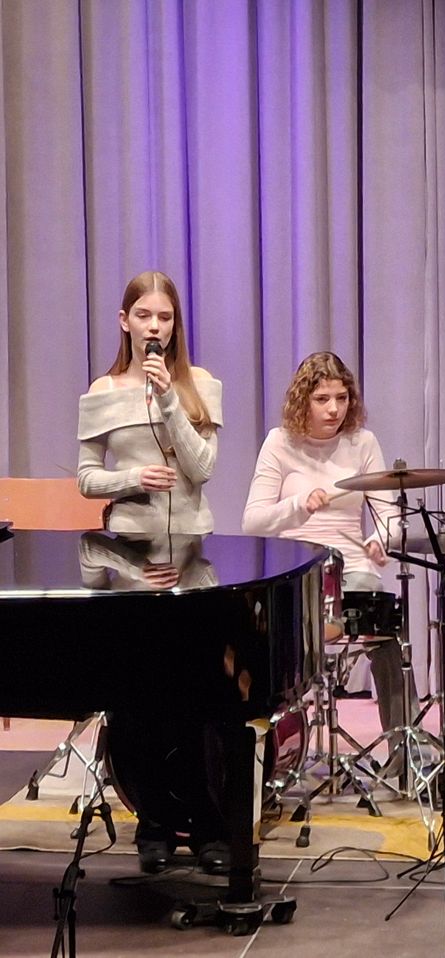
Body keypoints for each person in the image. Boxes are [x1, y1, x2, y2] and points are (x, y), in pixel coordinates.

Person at [76, 270, 227, 874]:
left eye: (165, 317)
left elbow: (204, 467)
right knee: (138, 703)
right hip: (130, 556)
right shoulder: (103, 389)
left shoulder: (200, 384)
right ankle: (154, 824)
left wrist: (169, 398)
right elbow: (86, 478)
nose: (155, 327)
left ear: (174, 325)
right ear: (125, 321)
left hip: (191, 554)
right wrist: (131, 478)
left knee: (197, 699)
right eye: (144, 316)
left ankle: (209, 823)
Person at [242, 351, 415, 737]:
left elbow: (389, 517)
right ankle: (268, 747)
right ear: (302, 400)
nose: (334, 409)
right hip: (295, 576)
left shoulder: (362, 443)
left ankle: (406, 749)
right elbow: (252, 521)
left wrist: (380, 539)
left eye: (342, 398)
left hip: (351, 571)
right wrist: (298, 505)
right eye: (322, 399)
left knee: (388, 627)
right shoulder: (279, 443)